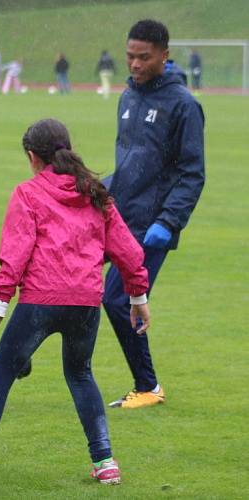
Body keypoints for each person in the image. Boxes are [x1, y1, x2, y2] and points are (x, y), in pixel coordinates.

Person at [0, 118, 150, 489]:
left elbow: (14, 254)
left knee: (0, 373)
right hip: (85, 303)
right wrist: (138, 296)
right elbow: (127, 250)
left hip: (40, 302)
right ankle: (106, 462)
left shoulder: (28, 194)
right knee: (80, 375)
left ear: (32, 157)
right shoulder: (96, 194)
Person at [103, 19, 205, 409]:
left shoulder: (184, 105)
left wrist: (168, 221)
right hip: (115, 216)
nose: (135, 64)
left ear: (164, 54)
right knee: (67, 279)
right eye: (130, 56)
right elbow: (129, 162)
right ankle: (18, 363)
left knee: (116, 300)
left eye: (144, 57)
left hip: (150, 227)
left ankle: (148, 386)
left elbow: (192, 173)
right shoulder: (127, 98)